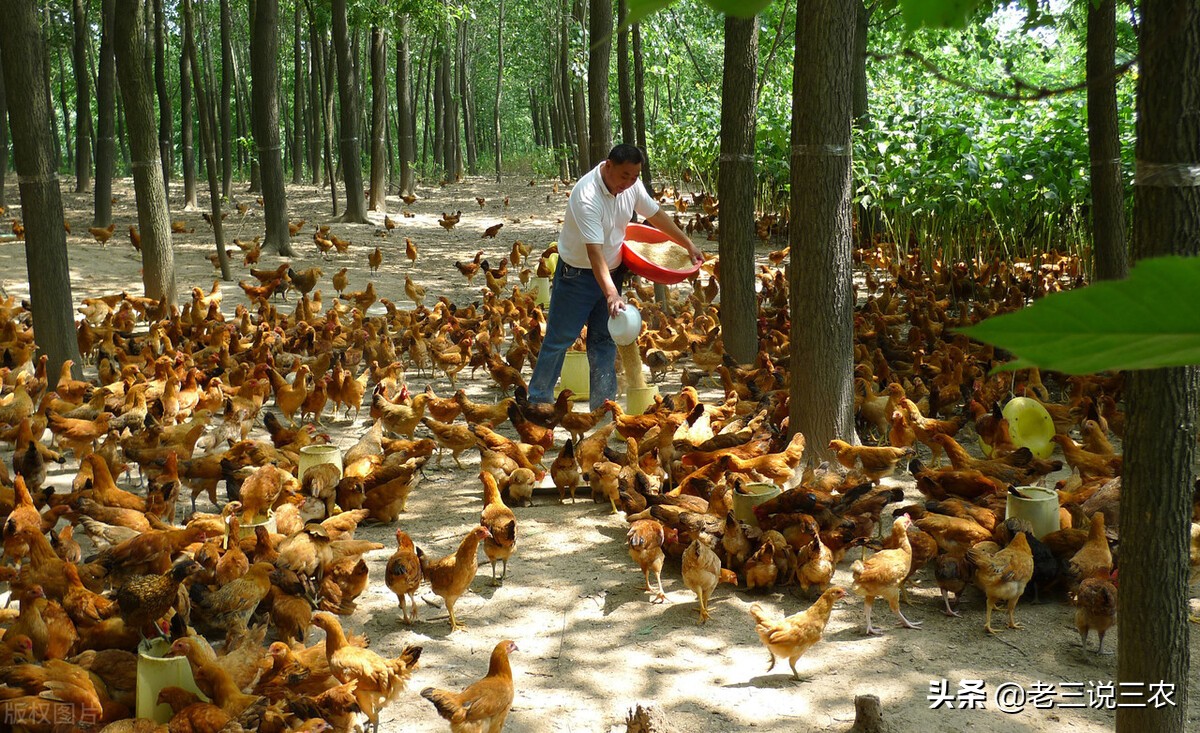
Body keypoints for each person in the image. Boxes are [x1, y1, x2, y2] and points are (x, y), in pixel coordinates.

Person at [527, 144, 703, 410]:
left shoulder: (632, 185)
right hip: (577, 273)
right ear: (608, 166)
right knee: (560, 338)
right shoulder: (586, 196)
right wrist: (611, 293)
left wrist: (687, 243)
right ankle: (538, 400)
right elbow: (594, 253)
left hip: (613, 270)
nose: (629, 182)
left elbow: (655, 215)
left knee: (604, 339)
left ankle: (604, 407)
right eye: (624, 176)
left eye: (635, 176)